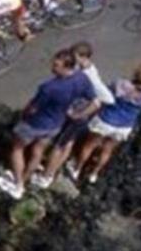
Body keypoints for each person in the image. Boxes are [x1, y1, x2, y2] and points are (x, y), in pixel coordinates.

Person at [0, 49, 100, 199]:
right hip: (55, 124)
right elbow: (95, 102)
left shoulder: (49, 87)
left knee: (17, 149)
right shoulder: (81, 78)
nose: (52, 67)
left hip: (36, 123)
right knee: (38, 151)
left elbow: (33, 108)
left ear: (66, 67)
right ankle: (24, 179)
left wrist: (24, 114)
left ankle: (18, 184)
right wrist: (79, 115)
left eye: (56, 65)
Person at [33, 41, 116, 188]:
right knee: (68, 143)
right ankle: (53, 170)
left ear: (84, 57)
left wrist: (79, 114)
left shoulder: (90, 77)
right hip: (78, 115)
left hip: (77, 117)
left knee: (59, 145)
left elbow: (105, 99)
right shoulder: (84, 69)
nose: (71, 59)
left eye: (74, 56)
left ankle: (46, 176)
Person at [72, 62, 141, 184]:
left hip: (107, 119)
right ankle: (94, 173)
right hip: (125, 125)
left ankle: (77, 168)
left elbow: (106, 95)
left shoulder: (120, 84)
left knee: (90, 145)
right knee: (108, 150)